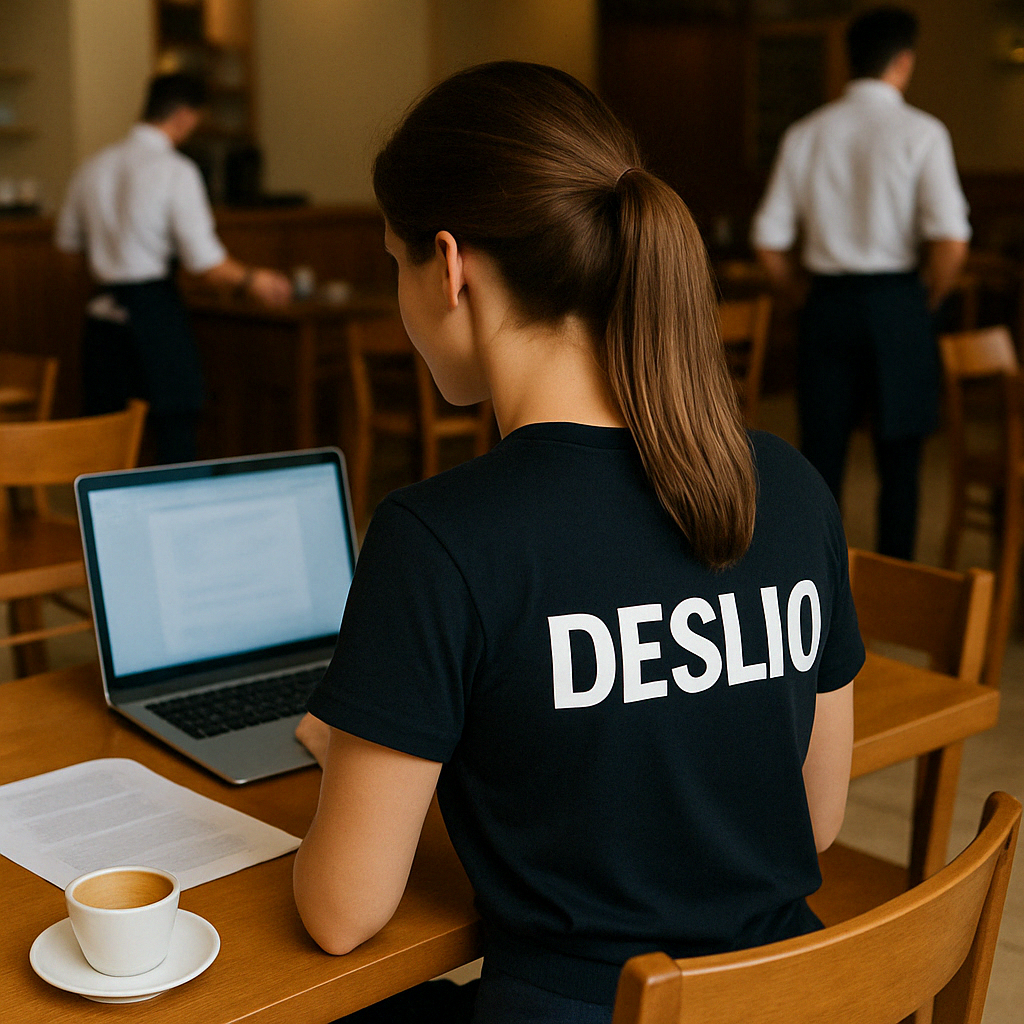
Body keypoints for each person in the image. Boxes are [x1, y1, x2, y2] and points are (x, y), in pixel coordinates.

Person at [293, 62, 863, 1024]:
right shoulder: (789, 487)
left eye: (395, 265)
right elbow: (817, 818)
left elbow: (342, 915)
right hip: (785, 1000)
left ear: (450, 264)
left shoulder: (440, 537)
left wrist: (357, 745)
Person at [751, 6, 971, 562]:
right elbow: (951, 241)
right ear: (903, 60)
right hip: (898, 301)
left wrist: (800, 296)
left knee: (821, 458)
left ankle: (816, 588)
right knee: (902, 462)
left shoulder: (806, 133)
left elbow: (767, 241)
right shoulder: (923, 133)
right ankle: (899, 579)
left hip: (826, 304)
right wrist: (927, 298)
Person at [55, 73, 292, 464]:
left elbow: (66, 250)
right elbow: (205, 262)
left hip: (100, 314)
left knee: (101, 434)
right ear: (184, 115)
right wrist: (255, 280)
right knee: (176, 424)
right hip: (153, 310)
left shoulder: (93, 166)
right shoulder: (175, 171)